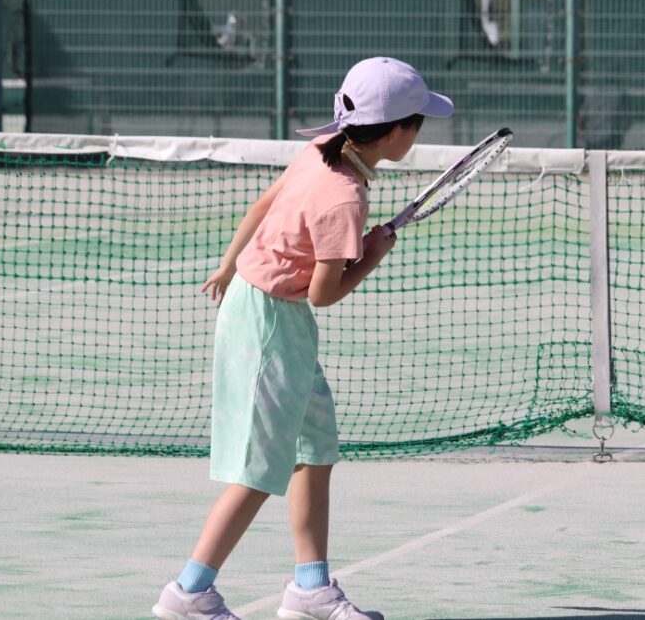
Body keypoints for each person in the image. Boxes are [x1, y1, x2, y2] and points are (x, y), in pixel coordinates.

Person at [152, 57, 454, 620]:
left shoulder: (319, 150)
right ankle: (188, 593)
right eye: (418, 122)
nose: (419, 131)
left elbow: (263, 206)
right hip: (271, 322)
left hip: (268, 310)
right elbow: (323, 293)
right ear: (395, 132)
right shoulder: (346, 197)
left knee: (314, 449)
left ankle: (310, 589)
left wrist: (228, 265)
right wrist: (373, 253)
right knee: (260, 467)